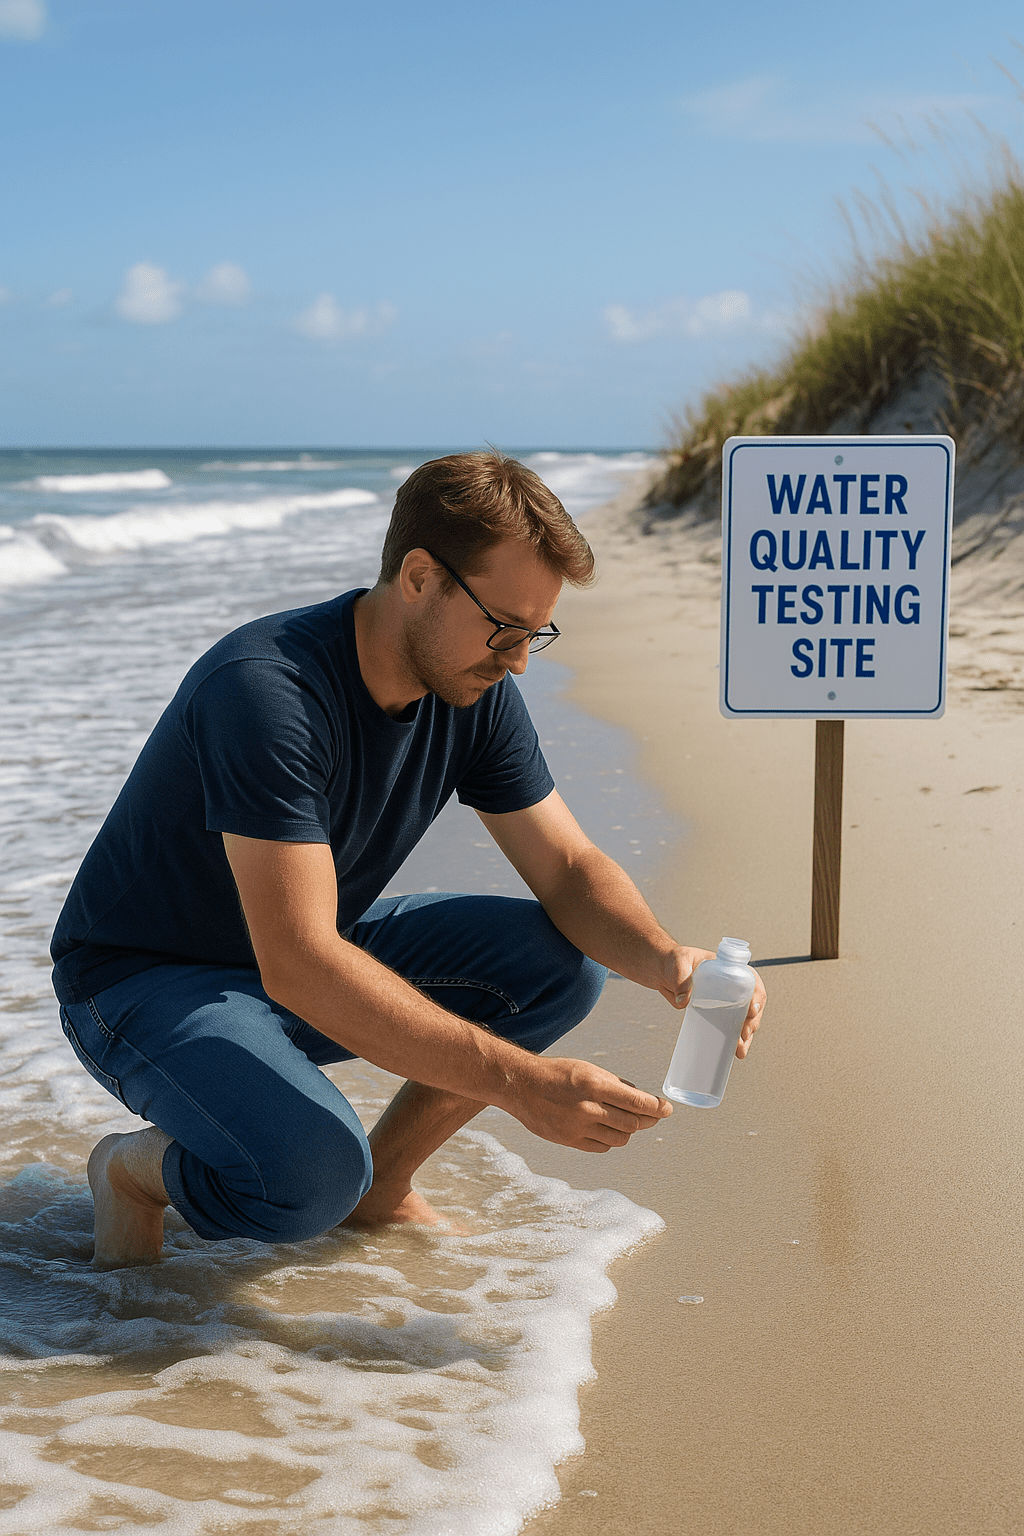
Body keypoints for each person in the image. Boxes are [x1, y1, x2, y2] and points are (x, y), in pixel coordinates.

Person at [51, 451, 765, 1269]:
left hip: (309, 948)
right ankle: (134, 1172)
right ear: (421, 576)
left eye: (538, 634)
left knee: (556, 968)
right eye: (506, 628)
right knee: (309, 1177)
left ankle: (382, 1188)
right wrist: (523, 1086)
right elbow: (301, 964)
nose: (520, 660)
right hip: (145, 980)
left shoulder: (475, 687)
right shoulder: (266, 692)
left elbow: (567, 868)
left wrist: (667, 958)